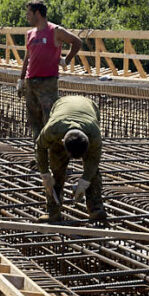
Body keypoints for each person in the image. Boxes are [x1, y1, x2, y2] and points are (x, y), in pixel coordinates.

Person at [17, 0, 82, 139]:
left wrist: (67, 60)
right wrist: (21, 80)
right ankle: (39, 157)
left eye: (29, 13)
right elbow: (27, 57)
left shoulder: (55, 31)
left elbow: (77, 42)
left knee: (50, 120)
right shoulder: (30, 34)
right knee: (34, 122)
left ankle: (52, 156)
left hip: (47, 82)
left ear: (38, 13)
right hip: (31, 82)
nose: (26, 16)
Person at [35, 95, 106, 224]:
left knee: (93, 172)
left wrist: (85, 180)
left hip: (89, 108)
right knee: (56, 170)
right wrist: (45, 173)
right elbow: (40, 148)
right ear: (63, 142)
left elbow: (93, 160)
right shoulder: (52, 129)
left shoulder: (94, 135)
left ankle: (96, 209)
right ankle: (53, 212)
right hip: (61, 107)